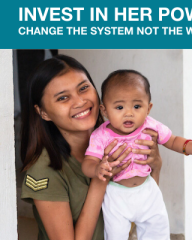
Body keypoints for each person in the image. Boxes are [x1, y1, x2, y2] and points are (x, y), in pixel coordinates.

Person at [20, 55, 163, 240]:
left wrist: (156, 166)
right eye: (63, 97)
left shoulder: (117, 141)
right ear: (43, 112)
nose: (80, 102)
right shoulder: (44, 170)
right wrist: (100, 179)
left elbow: (141, 210)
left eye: (84, 88)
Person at [82, 70, 192, 239]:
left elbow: (174, 140)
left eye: (137, 106)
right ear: (104, 110)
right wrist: (97, 168)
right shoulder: (101, 135)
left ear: (149, 108)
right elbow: (88, 162)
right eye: (119, 107)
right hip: (117, 195)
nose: (129, 113)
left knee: (158, 233)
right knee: (115, 235)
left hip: (148, 192)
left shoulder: (150, 126)